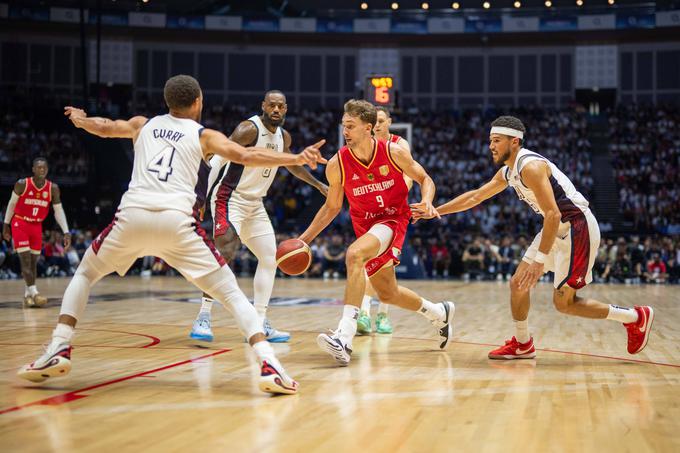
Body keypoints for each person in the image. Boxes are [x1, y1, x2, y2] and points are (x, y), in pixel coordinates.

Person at [17, 74, 326, 394]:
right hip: (178, 224)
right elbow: (246, 156)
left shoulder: (141, 124)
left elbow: (106, 127)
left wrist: (81, 121)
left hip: (131, 219)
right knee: (232, 293)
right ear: (197, 102)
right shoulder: (205, 135)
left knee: (84, 274)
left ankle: (59, 346)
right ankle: (268, 363)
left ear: (168, 102)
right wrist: (296, 157)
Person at [412, 115, 653, 359]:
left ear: (514, 141)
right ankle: (523, 343)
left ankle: (635, 317)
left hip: (577, 228)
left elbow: (553, 213)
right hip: (555, 228)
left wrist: (539, 260)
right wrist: (434, 211)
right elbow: (476, 196)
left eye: (496, 140)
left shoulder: (531, 166)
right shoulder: (508, 172)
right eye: (490, 141)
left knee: (564, 304)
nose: (491, 146)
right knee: (518, 284)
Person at [298, 99, 454, 366]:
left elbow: (425, 178)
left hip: (392, 220)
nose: (345, 131)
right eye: (343, 126)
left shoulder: (394, 152)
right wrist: (304, 240)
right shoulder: (337, 164)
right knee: (387, 293)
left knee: (354, 254)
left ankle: (344, 338)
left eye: (351, 126)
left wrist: (427, 201)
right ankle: (439, 313)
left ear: (368, 128)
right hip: (366, 226)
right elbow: (332, 207)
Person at [188, 90, 328, 343]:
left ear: (286, 109)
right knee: (225, 253)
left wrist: (318, 185)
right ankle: (203, 316)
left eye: (280, 106)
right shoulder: (248, 129)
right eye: (271, 105)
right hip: (228, 198)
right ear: (263, 106)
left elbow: (291, 164)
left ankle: (259, 321)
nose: (276, 110)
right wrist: (201, 198)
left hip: (255, 203)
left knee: (269, 258)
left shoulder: (283, 136)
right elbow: (219, 158)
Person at [356, 106, 414, 335]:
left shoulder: (399, 145)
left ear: (389, 121)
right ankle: (363, 313)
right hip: (369, 210)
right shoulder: (363, 144)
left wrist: (398, 194)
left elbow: (409, 174)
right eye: (374, 121)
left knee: (386, 264)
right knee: (364, 260)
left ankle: (382, 315)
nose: (377, 125)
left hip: (392, 211)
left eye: (381, 120)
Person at [3, 157, 71, 307]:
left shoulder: (52, 188)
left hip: (36, 225)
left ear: (47, 170)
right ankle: (35, 293)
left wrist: (66, 232)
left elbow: (58, 211)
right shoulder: (22, 184)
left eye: (44, 168)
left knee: (33, 263)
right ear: (33, 169)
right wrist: (6, 224)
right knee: (26, 260)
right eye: (39, 167)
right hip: (20, 222)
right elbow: (11, 204)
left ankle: (27, 295)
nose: (42, 170)